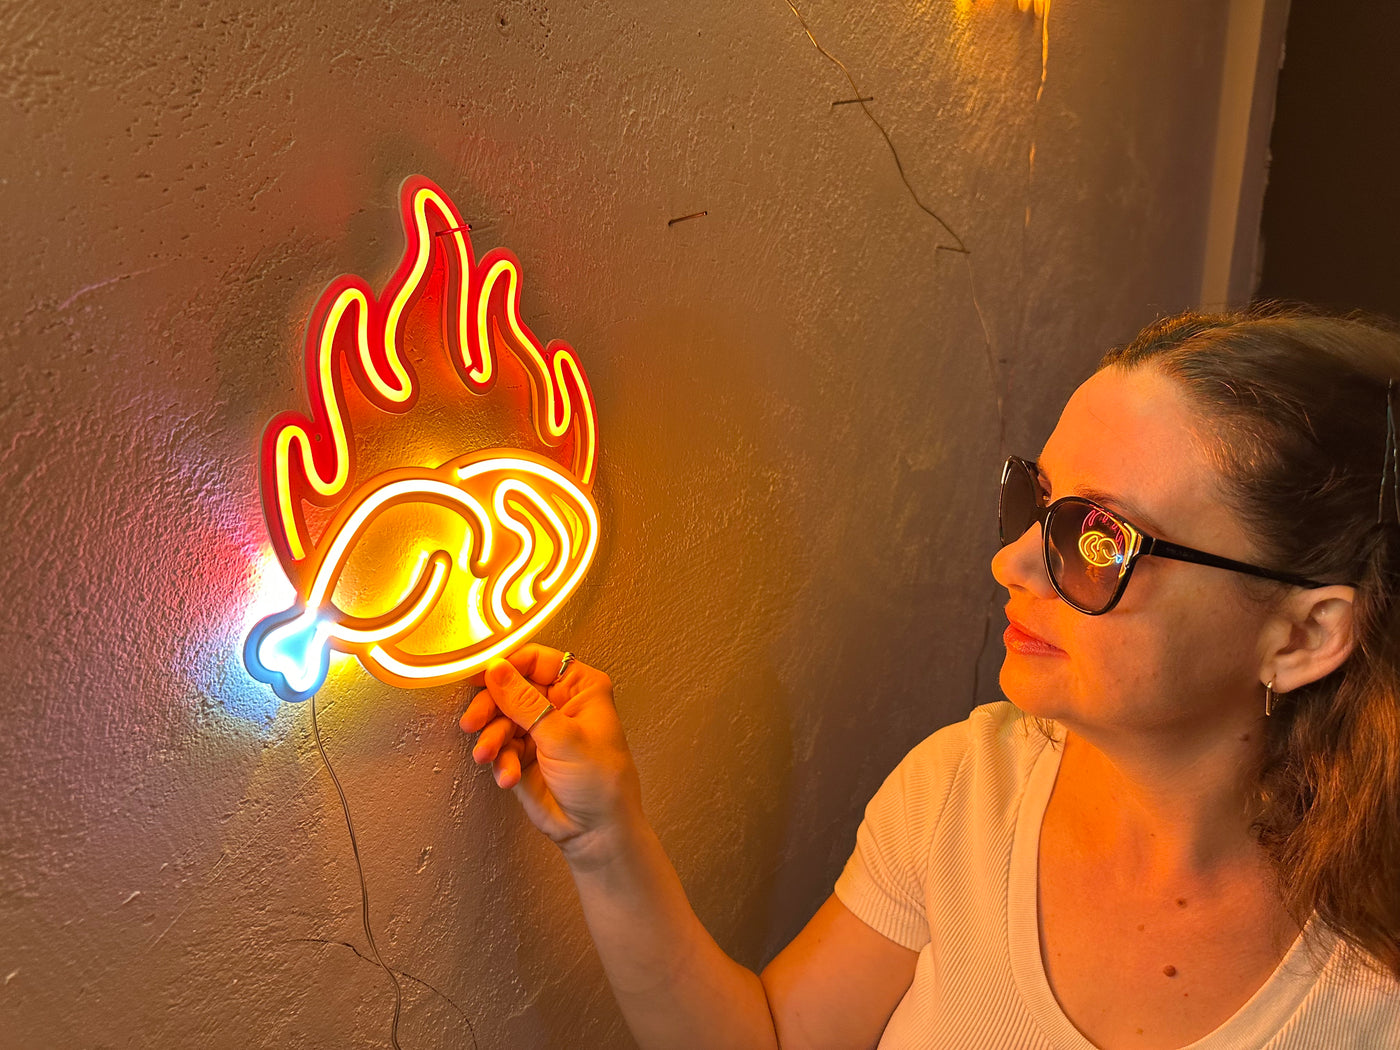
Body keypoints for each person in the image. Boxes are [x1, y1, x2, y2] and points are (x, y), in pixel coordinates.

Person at [460, 308, 1400, 1049]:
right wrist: (603, 835)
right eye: (1035, 504)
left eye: (1099, 538)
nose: (1014, 565)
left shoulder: (1373, 982)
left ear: (1305, 634)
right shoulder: (967, 792)